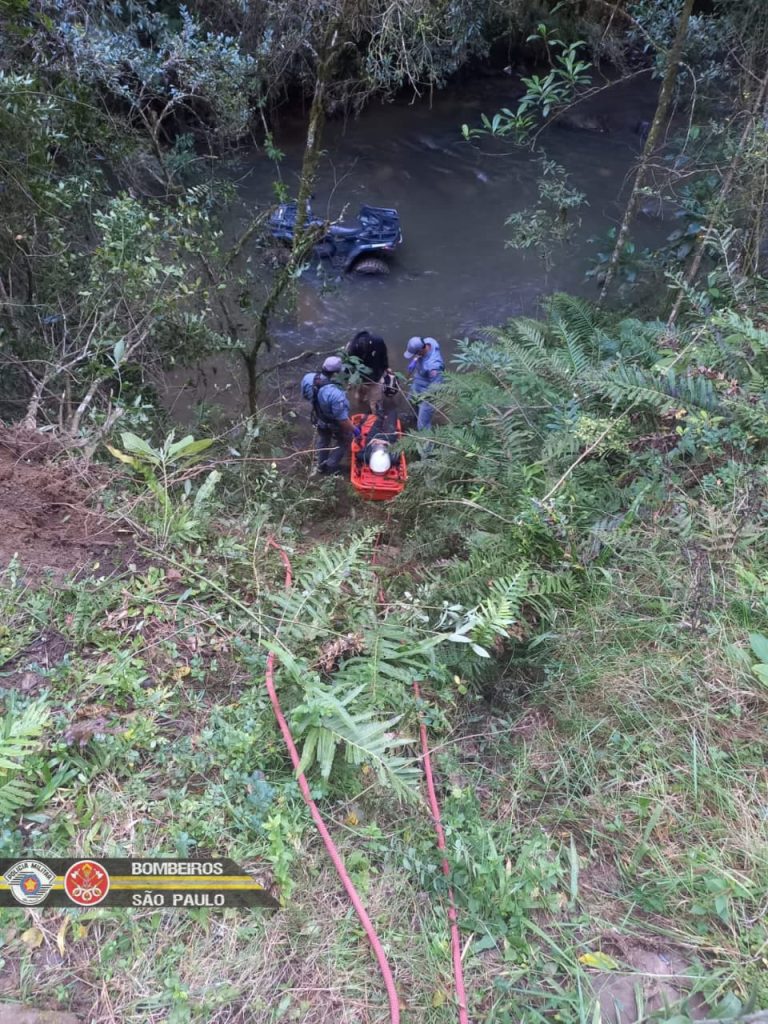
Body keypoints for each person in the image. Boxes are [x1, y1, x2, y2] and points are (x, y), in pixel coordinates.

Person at [301, 356, 361, 475]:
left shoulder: (308, 378)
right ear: (336, 373)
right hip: (333, 423)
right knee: (345, 441)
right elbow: (343, 420)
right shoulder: (335, 395)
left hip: (318, 418)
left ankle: (320, 465)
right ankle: (330, 465)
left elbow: (305, 396)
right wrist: (355, 430)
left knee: (323, 440)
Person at [403, 336, 444, 431]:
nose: (413, 356)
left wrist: (424, 398)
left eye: (415, 354)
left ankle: (427, 444)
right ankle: (415, 419)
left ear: (421, 350)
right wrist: (415, 360)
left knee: (422, 425)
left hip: (428, 391)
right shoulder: (429, 341)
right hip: (419, 382)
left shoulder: (433, 366)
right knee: (411, 401)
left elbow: (436, 387)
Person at [345, 330, 390, 414]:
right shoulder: (352, 347)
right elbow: (348, 365)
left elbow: (384, 355)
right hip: (361, 377)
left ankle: (376, 419)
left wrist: (386, 367)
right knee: (359, 397)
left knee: (375, 403)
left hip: (376, 377)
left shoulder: (378, 341)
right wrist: (350, 381)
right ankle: (360, 409)